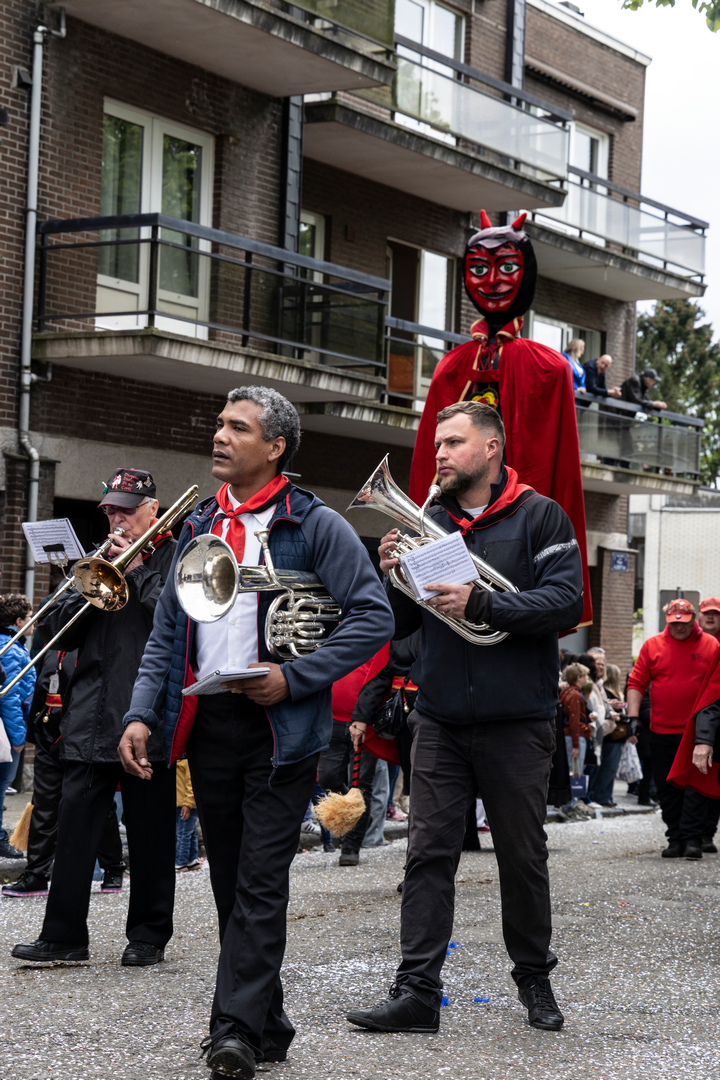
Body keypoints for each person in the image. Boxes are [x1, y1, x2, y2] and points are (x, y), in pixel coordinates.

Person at [118, 386, 393, 1079]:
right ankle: (269, 1024)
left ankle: (233, 1031)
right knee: (230, 884)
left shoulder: (316, 524)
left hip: (282, 728)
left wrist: (295, 677)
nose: (219, 435)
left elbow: (373, 617)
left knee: (260, 882)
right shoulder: (198, 523)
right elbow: (166, 634)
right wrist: (141, 713)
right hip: (209, 722)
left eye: (237, 427)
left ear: (275, 447)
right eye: (219, 424)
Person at [347, 400, 584, 1037]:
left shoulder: (540, 515)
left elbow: (566, 602)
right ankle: (417, 992)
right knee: (426, 855)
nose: (441, 455)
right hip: (440, 718)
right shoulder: (429, 518)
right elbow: (402, 626)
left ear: (491, 448)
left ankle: (534, 977)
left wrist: (482, 603)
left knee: (522, 857)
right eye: (438, 445)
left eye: (453, 443)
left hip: (518, 720)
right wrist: (392, 575)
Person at [12, 469, 177, 965]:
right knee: (74, 830)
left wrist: (137, 568)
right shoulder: (96, 561)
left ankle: (148, 935)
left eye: (127, 509)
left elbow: (174, 623)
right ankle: (63, 935)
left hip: (145, 717)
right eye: (110, 510)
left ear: (152, 509)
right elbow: (57, 636)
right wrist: (83, 582)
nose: (117, 519)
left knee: (149, 833)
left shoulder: (174, 557)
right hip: (88, 717)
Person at [2, 649, 125, 898]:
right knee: (44, 806)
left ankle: (113, 866)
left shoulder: (97, 644)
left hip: (85, 733)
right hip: (48, 734)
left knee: (98, 804)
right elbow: (41, 691)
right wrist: (34, 732)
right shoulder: (53, 649)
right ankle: (36, 874)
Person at [627, 598, 718, 859]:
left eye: (684, 623)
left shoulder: (711, 645)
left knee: (695, 787)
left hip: (696, 733)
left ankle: (693, 839)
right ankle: (675, 838)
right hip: (662, 731)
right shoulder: (652, 645)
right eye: (674, 623)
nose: (679, 627)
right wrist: (632, 717)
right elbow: (637, 681)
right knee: (666, 788)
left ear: (693, 619)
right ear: (667, 620)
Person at [0, 594, 36, 859]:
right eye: (30, 617)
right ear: (18, 621)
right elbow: (9, 696)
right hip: (7, 728)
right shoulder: (11, 649)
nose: (33, 622)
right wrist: (18, 738)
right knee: (2, 783)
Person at [176, 758, 202, 872]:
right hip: (185, 803)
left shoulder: (186, 761)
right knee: (190, 833)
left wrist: (187, 803)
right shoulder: (181, 761)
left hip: (185, 805)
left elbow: (191, 783)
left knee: (183, 834)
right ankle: (192, 860)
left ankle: (180, 862)